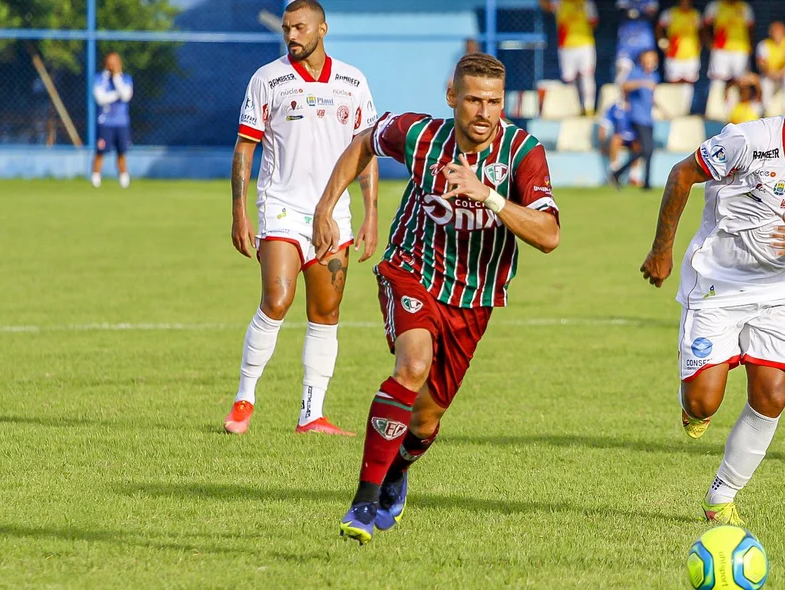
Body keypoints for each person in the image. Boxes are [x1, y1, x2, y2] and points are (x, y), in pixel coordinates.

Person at [313, 53, 561, 545]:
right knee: (412, 365)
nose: (483, 112)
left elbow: (550, 234)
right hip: (412, 271)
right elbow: (364, 142)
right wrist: (327, 205)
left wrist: (486, 194)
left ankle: (399, 466)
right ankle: (363, 500)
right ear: (452, 97)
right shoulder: (420, 135)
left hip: (475, 297)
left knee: (425, 419)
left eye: (493, 101)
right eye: (472, 100)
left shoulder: (522, 153)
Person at [640, 65, 785, 525]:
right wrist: (662, 251)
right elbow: (682, 175)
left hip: (778, 289)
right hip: (716, 281)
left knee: (773, 395)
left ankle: (720, 498)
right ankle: (693, 407)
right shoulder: (746, 140)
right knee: (703, 403)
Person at [224, 0, 379, 436]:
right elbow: (245, 148)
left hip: (334, 216)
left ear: (322, 29)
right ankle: (244, 398)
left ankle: (312, 413)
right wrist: (239, 213)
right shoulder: (267, 80)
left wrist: (371, 215)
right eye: (287, 28)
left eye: (300, 28)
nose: (291, 35)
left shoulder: (353, 82)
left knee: (326, 313)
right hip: (281, 209)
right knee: (277, 299)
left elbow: (366, 152)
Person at [610, 49, 659, 190]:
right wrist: (642, 83)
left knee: (648, 150)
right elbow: (624, 85)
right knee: (646, 149)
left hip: (648, 118)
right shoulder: (637, 73)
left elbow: (650, 98)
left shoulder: (654, 76)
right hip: (637, 117)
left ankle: (645, 181)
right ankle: (620, 173)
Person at [540, 0, 599, 115]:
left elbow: (594, 22)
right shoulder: (560, 3)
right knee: (569, 78)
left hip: (585, 44)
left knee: (587, 75)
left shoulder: (586, 3)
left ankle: (588, 107)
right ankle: (575, 107)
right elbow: (547, 7)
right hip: (566, 46)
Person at [91, 52, 133, 189]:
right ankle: (96, 178)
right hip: (105, 122)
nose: (112, 65)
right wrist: (117, 95)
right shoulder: (100, 79)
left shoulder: (125, 79)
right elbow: (100, 99)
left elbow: (126, 96)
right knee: (100, 151)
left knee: (121, 152)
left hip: (121, 122)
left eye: (115, 62)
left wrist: (116, 79)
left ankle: (124, 179)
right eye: (110, 62)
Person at [702, 0, 755, 93]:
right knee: (718, 79)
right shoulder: (715, 6)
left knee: (741, 80)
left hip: (740, 50)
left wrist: (750, 45)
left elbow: (750, 29)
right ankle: (716, 105)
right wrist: (709, 42)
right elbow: (705, 26)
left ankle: (737, 105)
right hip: (721, 49)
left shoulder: (745, 7)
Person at [756, 21, 785, 113]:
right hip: (770, 74)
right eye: (774, 31)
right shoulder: (763, 44)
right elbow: (761, 63)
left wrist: (780, 73)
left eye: (778, 31)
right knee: (765, 82)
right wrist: (770, 73)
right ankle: (765, 109)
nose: (776, 33)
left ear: (784, 32)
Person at [657, 0, 702, 87]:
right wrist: (662, 43)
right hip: (674, 53)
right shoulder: (669, 13)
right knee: (673, 81)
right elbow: (659, 29)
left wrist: (700, 44)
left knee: (690, 82)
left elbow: (701, 31)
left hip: (692, 54)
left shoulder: (695, 14)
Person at [599, 99, 643, 185]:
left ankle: (634, 176)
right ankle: (614, 171)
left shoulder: (638, 106)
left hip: (634, 137)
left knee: (639, 145)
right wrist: (602, 144)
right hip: (620, 137)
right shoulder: (615, 107)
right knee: (615, 140)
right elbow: (604, 124)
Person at [615, 0, 660, 83]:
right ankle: (621, 94)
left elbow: (652, 14)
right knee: (623, 67)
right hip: (627, 38)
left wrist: (636, 13)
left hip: (644, 37)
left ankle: (647, 94)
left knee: (648, 65)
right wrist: (640, 13)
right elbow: (620, 12)